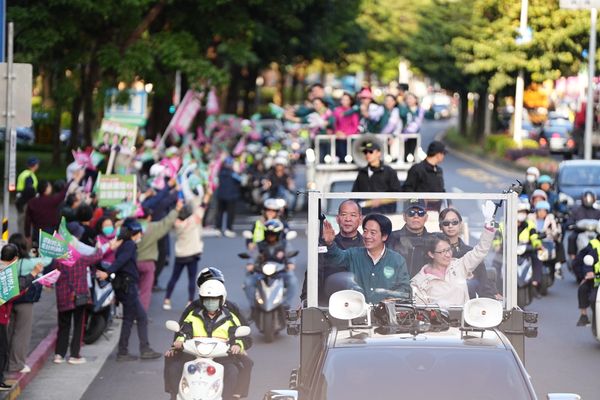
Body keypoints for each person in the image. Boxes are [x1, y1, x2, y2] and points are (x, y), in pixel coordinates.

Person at [164, 278, 253, 400]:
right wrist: (179, 340)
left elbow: (237, 335)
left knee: (232, 371)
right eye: (207, 299)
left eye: (214, 299)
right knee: (174, 367)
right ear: (202, 300)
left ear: (221, 299)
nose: (211, 302)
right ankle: (175, 396)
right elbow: (184, 331)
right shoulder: (193, 315)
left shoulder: (230, 317)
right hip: (193, 356)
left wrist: (237, 345)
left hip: (221, 358)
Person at [96, 219, 162, 361]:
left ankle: (130, 350)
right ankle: (132, 350)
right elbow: (121, 262)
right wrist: (108, 273)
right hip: (128, 287)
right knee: (133, 318)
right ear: (134, 233)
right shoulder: (130, 245)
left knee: (135, 317)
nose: (140, 236)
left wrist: (108, 273)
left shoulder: (124, 245)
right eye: (139, 233)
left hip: (125, 286)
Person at [53, 222, 118, 365]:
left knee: (63, 326)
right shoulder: (80, 259)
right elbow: (96, 256)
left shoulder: (58, 259)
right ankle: (75, 355)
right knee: (78, 326)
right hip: (79, 296)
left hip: (63, 296)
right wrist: (103, 247)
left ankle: (59, 354)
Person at [321, 214, 410, 303]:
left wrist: (388, 301)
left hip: (385, 314)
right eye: (365, 231)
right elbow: (337, 258)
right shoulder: (354, 254)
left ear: (384, 236)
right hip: (356, 311)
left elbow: (404, 290)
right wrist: (330, 243)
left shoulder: (397, 260)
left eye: (373, 233)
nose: (367, 236)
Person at [410, 222, 496, 308]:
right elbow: (421, 311)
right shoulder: (418, 282)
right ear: (431, 254)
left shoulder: (459, 265)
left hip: (463, 320)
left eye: (448, 249)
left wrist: (488, 231)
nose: (448, 255)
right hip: (437, 321)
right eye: (442, 252)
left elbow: (480, 251)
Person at [301, 200, 364, 304]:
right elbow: (314, 272)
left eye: (353, 215)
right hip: (328, 303)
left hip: (361, 302)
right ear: (337, 219)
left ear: (360, 219)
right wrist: (306, 298)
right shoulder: (326, 243)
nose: (348, 219)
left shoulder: (367, 244)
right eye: (344, 215)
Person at [6, 234, 51, 374]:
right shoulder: (29, 263)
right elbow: (47, 260)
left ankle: (6, 362)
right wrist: (45, 247)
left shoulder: (7, 262)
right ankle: (17, 364)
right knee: (22, 334)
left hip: (8, 301)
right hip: (25, 301)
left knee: (9, 332)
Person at [0, 244, 42, 390]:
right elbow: (11, 293)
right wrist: (33, 274)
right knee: (2, 350)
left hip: (3, 315)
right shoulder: (5, 271)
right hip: (0, 317)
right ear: (15, 258)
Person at [438, 208, 498, 299]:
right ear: (440, 226)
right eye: (446, 223)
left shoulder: (470, 252)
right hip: (440, 303)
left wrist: (491, 300)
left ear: (460, 224)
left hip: (468, 306)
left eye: (454, 222)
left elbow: (483, 284)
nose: (450, 226)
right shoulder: (433, 252)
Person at [243, 219, 299, 312]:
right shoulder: (259, 244)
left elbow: (290, 256)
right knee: (248, 282)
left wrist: (291, 263)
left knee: (292, 281)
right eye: (268, 233)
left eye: (273, 234)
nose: (271, 236)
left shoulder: (285, 244)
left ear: (278, 235)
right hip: (261, 271)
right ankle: (254, 306)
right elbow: (253, 256)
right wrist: (250, 264)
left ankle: (286, 305)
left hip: (280, 271)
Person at [136, 202, 182, 311]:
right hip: (148, 263)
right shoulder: (152, 227)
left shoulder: (132, 226)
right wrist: (176, 209)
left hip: (133, 262)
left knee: (132, 290)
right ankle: (140, 314)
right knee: (145, 291)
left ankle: (130, 312)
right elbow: (166, 223)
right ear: (149, 217)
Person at [163, 196, 205, 311]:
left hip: (180, 254)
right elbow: (202, 208)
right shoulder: (193, 220)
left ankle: (167, 299)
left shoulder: (177, 224)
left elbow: (174, 217)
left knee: (174, 277)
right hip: (192, 254)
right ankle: (190, 300)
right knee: (192, 278)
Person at [351, 140, 402, 214]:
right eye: (365, 152)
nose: (368, 154)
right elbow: (354, 195)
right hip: (365, 215)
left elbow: (397, 194)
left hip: (386, 214)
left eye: (371, 152)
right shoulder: (362, 173)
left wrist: (380, 201)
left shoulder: (389, 171)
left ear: (379, 153)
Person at [387, 199, 432, 277]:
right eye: (411, 213)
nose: (416, 216)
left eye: (420, 213)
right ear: (404, 216)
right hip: (396, 286)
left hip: (425, 286)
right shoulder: (391, 238)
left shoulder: (434, 241)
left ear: (426, 217)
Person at [402, 140, 447, 211]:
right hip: (418, 213)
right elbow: (407, 190)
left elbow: (442, 190)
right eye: (443, 154)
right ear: (438, 155)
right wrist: (419, 201)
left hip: (436, 211)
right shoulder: (417, 169)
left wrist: (449, 203)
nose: (444, 156)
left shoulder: (439, 170)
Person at [517, 201, 544, 297]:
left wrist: (538, 245)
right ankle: (495, 290)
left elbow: (534, 236)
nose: (522, 214)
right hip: (507, 252)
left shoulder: (529, 224)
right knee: (496, 263)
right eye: (520, 211)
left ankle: (535, 283)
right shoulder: (505, 224)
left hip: (525, 250)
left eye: (524, 212)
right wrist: (497, 246)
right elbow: (498, 238)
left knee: (538, 257)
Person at [567, 191, 600, 261]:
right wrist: (571, 225)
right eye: (586, 198)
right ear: (582, 199)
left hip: (594, 232)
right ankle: (573, 258)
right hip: (580, 231)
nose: (588, 200)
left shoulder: (597, 211)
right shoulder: (576, 210)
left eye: (590, 198)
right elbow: (570, 220)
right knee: (571, 238)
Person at [216, 157, 242, 238]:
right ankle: (228, 229)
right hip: (231, 196)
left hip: (221, 195)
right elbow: (241, 180)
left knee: (220, 213)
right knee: (230, 214)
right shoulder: (233, 174)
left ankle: (218, 228)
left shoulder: (220, 172)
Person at [333, 92, 359, 160]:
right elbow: (335, 123)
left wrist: (346, 134)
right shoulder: (337, 110)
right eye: (343, 99)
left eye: (347, 100)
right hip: (339, 137)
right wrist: (337, 132)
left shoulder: (353, 112)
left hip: (350, 138)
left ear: (350, 101)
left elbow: (355, 126)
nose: (344, 101)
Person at [15, 157, 40, 232]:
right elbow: (29, 190)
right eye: (37, 163)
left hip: (21, 201)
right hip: (25, 202)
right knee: (24, 224)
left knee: (22, 222)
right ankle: (22, 242)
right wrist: (35, 196)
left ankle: (20, 241)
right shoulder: (28, 176)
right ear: (34, 165)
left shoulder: (24, 173)